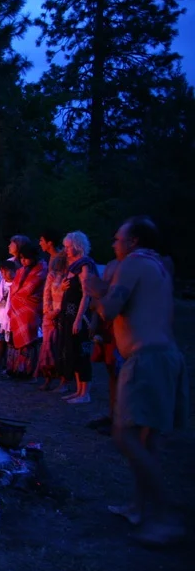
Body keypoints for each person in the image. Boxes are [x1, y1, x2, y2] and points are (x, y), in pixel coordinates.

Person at [82, 217, 188, 546]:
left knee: (124, 435)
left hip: (147, 360)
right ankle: (139, 507)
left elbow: (109, 310)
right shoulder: (158, 266)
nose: (114, 244)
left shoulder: (133, 263)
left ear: (134, 241)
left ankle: (167, 516)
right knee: (147, 440)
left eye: (118, 239)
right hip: (167, 357)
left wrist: (94, 288)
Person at [59, 231, 97, 404]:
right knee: (72, 350)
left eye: (68, 247)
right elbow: (66, 288)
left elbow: (86, 294)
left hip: (79, 316)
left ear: (76, 246)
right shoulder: (72, 266)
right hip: (68, 313)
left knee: (82, 352)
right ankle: (78, 390)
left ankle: (85, 393)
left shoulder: (85, 266)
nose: (66, 250)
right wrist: (62, 287)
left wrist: (78, 319)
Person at [87, 256, 120, 431]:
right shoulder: (113, 264)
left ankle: (121, 419)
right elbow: (97, 296)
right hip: (105, 325)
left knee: (120, 371)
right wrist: (95, 321)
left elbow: (110, 298)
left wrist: (99, 293)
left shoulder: (131, 267)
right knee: (111, 369)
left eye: (118, 240)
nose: (114, 244)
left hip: (119, 327)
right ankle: (112, 414)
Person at [7, 245, 47, 378]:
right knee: (16, 341)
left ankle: (28, 370)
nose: (23, 261)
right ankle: (16, 369)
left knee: (29, 341)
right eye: (21, 258)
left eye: (26, 258)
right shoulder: (21, 271)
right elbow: (14, 288)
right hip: (17, 311)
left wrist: (17, 297)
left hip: (30, 309)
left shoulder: (41, 269)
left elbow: (29, 290)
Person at [37, 230, 69, 391]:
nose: (40, 243)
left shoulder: (60, 262)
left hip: (58, 310)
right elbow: (47, 291)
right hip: (49, 309)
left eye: (42, 239)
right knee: (48, 345)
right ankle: (48, 377)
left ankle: (61, 379)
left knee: (57, 345)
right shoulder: (51, 262)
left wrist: (55, 310)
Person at [0, 260, 17, 371]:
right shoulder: (2, 284)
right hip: (0, 316)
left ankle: (9, 364)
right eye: (2, 272)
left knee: (9, 341)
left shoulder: (15, 283)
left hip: (10, 317)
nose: (4, 275)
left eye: (6, 272)